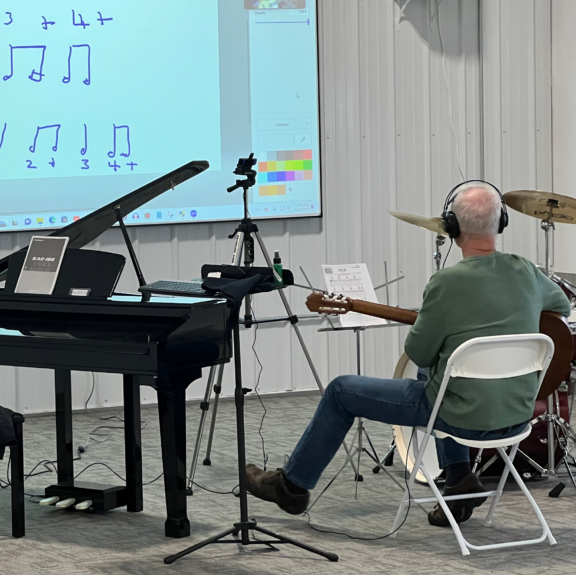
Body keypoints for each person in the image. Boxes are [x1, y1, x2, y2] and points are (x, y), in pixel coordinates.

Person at [245, 183, 571, 527]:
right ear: (501, 223)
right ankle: (459, 476)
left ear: (452, 227)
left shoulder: (446, 283)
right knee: (432, 374)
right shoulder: (526, 270)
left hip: (462, 416)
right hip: (516, 415)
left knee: (341, 391)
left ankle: (292, 487)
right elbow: (561, 306)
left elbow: (418, 351)